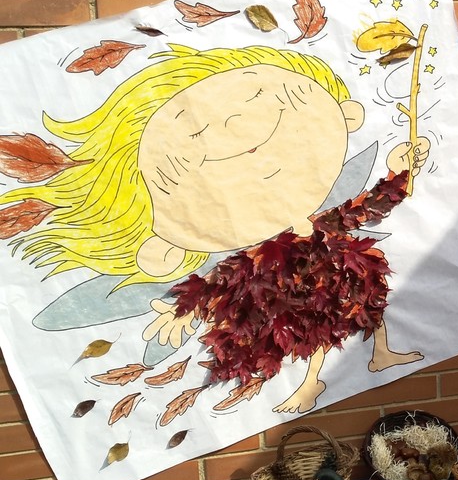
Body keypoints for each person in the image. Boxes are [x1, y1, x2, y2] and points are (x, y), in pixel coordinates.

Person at [0, 44, 427, 414]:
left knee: (368, 296)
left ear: (343, 115)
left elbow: (360, 209)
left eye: (260, 94)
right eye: (193, 134)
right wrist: (180, 310)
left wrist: (400, 173)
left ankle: (381, 351)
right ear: (160, 247)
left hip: (341, 271)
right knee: (311, 331)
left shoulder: (321, 224)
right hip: (289, 298)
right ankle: (312, 380)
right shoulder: (245, 266)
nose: (232, 125)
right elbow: (215, 286)